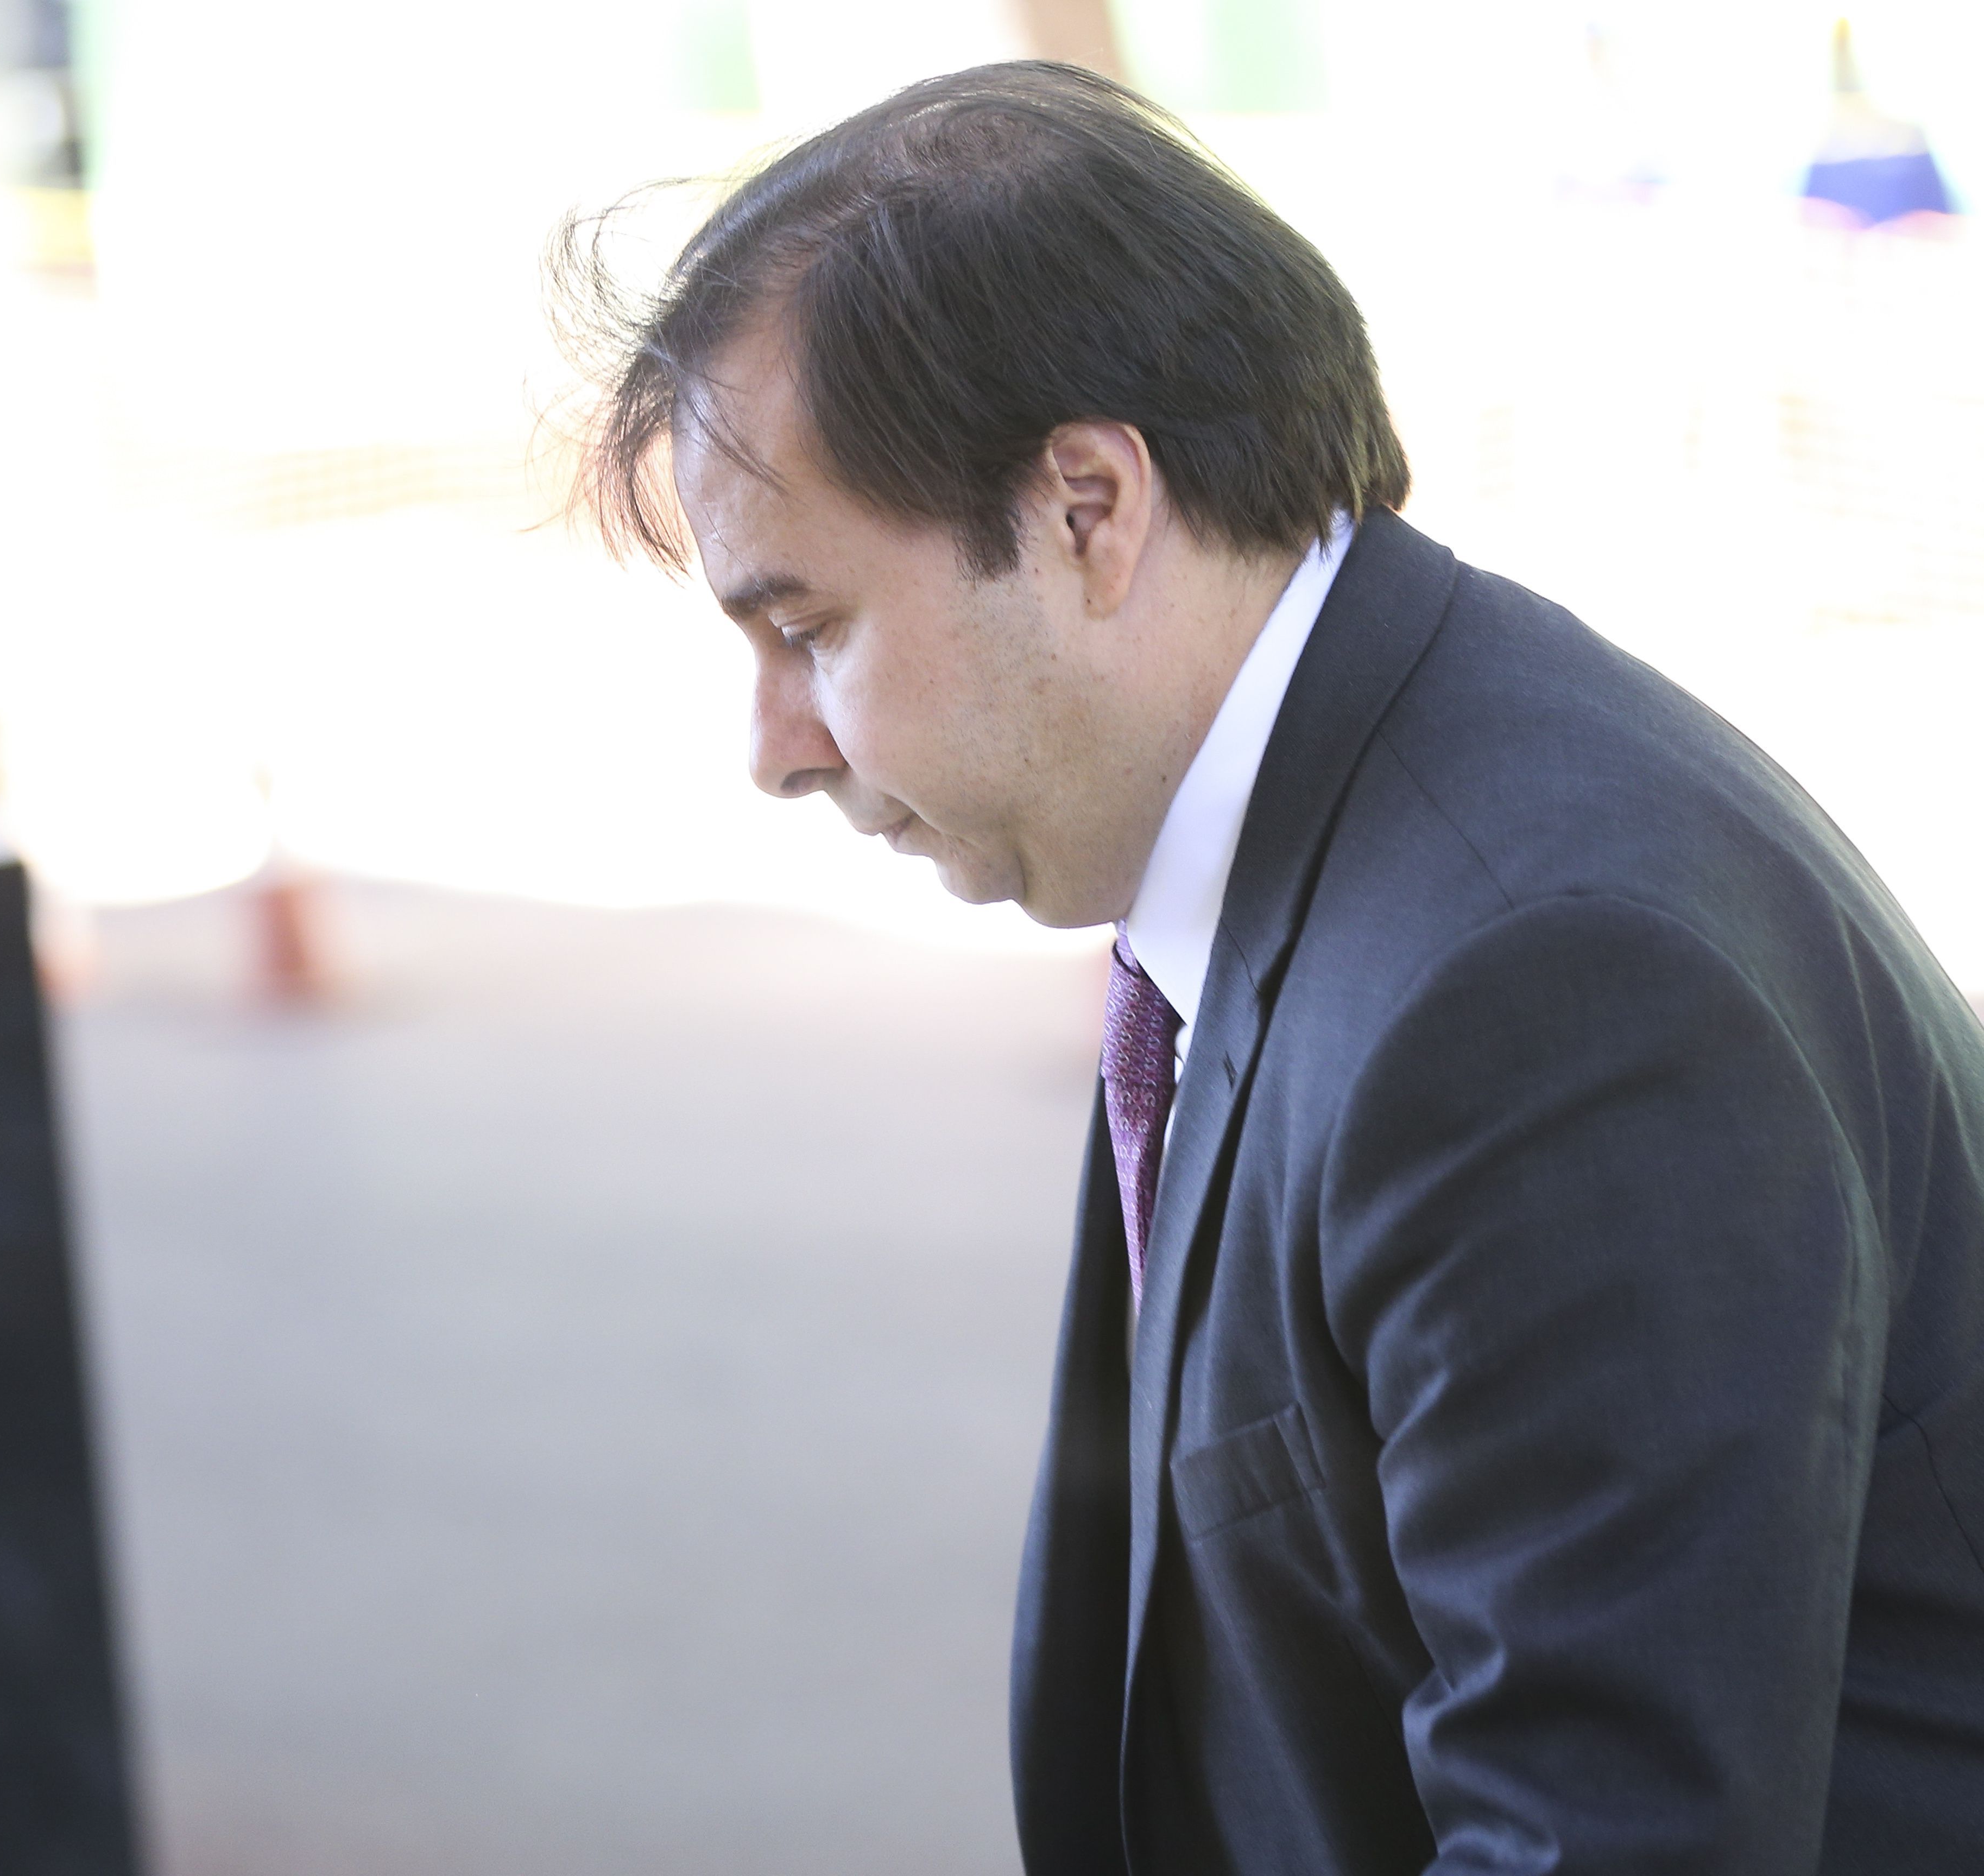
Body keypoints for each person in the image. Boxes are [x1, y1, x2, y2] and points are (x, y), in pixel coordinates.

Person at [556, 61, 1984, 1875]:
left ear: (1088, 506)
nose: (776, 744)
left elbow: (1612, 1838)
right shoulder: (1301, 832)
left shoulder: (1546, 990)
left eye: (808, 626)